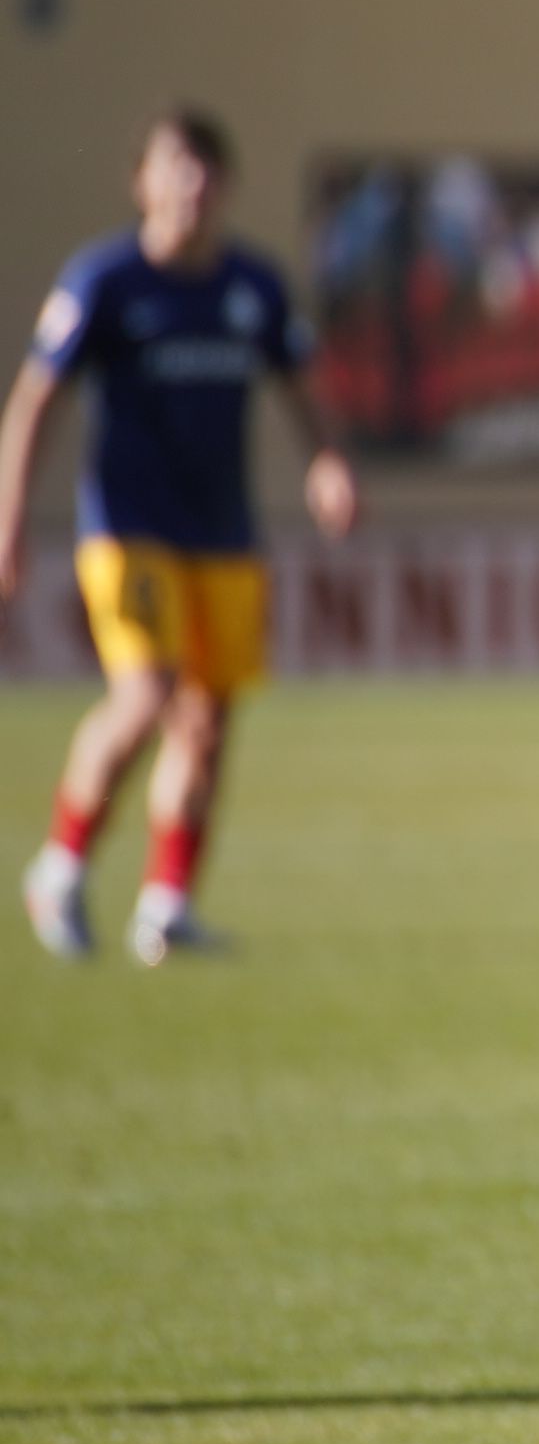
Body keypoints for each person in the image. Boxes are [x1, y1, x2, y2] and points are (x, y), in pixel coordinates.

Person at [10, 110, 355, 965]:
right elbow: (34, 404)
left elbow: (299, 382)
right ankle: (60, 865)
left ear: (226, 185)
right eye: (175, 168)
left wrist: (327, 461)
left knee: (207, 719)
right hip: (129, 528)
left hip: (224, 531)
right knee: (145, 695)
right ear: (143, 183)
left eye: (205, 170)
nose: (192, 187)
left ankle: (164, 910)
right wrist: (8, 522)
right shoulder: (106, 283)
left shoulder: (254, 287)